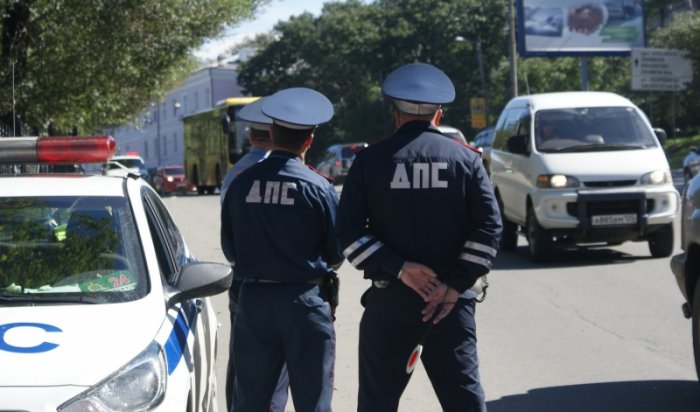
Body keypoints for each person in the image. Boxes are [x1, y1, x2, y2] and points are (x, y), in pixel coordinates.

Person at [335, 63, 502, 412]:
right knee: (464, 400)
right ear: (438, 115)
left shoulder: (370, 162)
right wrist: (453, 286)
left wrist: (399, 268)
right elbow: (488, 229)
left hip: (390, 301)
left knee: (377, 403)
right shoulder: (466, 160)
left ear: (396, 115)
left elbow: (349, 234)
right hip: (449, 307)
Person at [221, 87, 343, 412]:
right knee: (313, 402)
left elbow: (229, 247)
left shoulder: (241, 183)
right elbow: (336, 253)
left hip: (253, 303)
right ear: (309, 140)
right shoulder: (320, 188)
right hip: (305, 303)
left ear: (271, 133)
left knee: (250, 401)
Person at [219, 97, 290, 412]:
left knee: (242, 360)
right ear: (277, 133)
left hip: (245, 280)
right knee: (279, 366)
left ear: (251, 136)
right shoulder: (291, 171)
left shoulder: (235, 175)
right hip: (289, 282)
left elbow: (229, 237)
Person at [220, 98, 273, 204]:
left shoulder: (233, 174)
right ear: (273, 136)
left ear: (251, 137)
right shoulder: (282, 170)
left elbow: (226, 212)